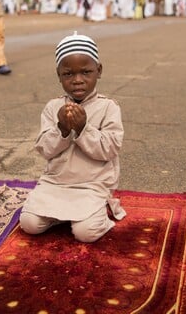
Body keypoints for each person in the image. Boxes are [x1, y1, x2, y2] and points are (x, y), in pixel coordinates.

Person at [19, 32, 126, 243]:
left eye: (86, 72)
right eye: (68, 74)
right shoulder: (53, 107)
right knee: (29, 224)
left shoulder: (108, 107)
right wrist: (63, 130)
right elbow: (45, 149)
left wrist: (83, 129)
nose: (78, 80)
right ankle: (60, 216)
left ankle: (98, 210)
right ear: (58, 75)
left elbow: (111, 149)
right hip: (56, 182)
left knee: (85, 233)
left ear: (99, 71)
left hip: (91, 185)